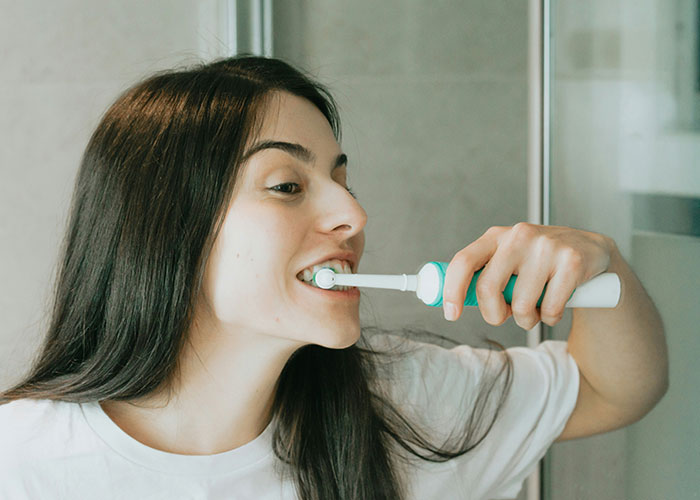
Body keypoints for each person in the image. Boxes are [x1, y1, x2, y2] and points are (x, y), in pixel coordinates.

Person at [0, 55, 668, 500]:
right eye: (288, 184)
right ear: (163, 225)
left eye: (342, 180)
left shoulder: (401, 408)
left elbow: (616, 391)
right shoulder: (22, 464)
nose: (352, 214)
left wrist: (600, 259)